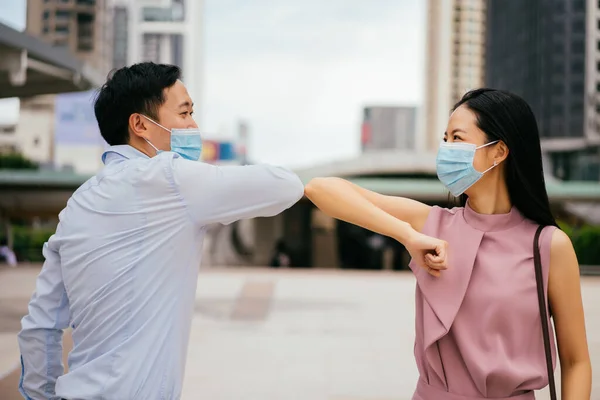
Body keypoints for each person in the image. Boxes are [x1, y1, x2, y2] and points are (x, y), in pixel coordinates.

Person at [17, 62, 304, 400]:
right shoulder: (171, 179)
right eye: (184, 114)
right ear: (140, 124)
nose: (194, 126)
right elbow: (287, 185)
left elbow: (41, 325)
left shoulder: (77, 205)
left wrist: (41, 396)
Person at [305, 89, 591, 399]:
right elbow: (320, 188)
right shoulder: (431, 224)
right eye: (445, 139)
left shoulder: (549, 245)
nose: (446, 149)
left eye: (457, 138)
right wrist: (408, 236)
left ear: (499, 151)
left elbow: (576, 361)